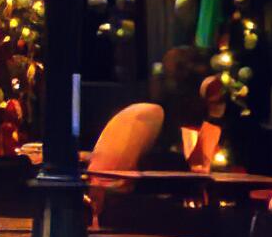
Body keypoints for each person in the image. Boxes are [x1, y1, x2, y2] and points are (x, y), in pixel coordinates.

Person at [89, 44, 227, 183]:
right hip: (125, 198)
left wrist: (215, 115)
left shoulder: (174, 126)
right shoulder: (149, 114)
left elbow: (198, 165)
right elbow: (108, 180)